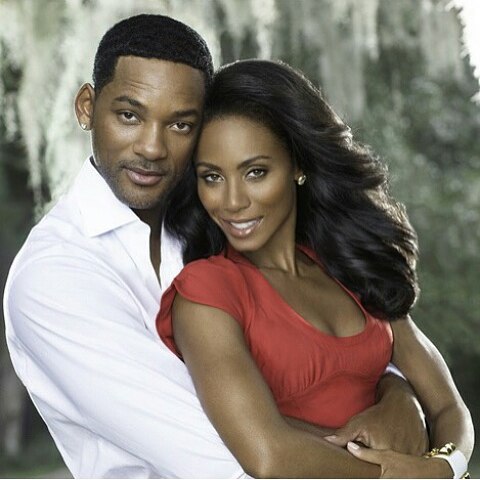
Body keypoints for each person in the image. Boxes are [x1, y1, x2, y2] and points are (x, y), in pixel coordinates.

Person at [4, 13, 427, 479]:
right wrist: (399, 464)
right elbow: (223, 451)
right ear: (86, 107)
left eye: (180, 125)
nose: (151, 147)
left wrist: (398, 394)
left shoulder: (219, 221)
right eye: (129, 115)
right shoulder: (53, 277)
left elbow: (335, 350)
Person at [157, 59, 474, 478]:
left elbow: (449, 406)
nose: (232, 201)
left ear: (298, 166)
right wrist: (396, 473)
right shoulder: (206, 292)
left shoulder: (347, 262)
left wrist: (445, 466)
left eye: (255, 172)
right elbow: (269, 455)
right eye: (212, 177)